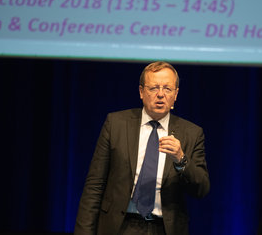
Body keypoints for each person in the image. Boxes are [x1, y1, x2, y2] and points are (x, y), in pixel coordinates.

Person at [74, 61, 210, 235]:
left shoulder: (191, 133)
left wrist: (181, 159)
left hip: (165, 228)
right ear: (141, 92)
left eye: (167, 89)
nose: (161, 94)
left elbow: (202, 189)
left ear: (176, 94)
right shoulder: (116, 124)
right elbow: (94, 185)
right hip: (120, 226)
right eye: (154, 88)